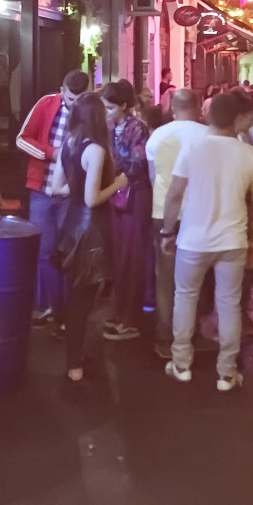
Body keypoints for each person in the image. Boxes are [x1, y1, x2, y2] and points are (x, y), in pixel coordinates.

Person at [161, 93, 253, 392]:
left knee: (185, 297)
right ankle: (226, 373)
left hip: (193, 240)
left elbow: (174, 194)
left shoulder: (192, 149)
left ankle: (181, 364)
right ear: (238, 119)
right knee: (229, 303)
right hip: (233, 240)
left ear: (208, 116)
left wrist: (167, 231)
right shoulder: (249, 154)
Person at [50, 95, 128, 382]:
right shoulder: (95, 149)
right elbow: (93, 199)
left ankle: (74, 359)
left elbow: (54, 187)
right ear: (97, 117)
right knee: (82, 301)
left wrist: (76, 189)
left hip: (70, 226)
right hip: (90, 231)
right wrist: (119, 184)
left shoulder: (68, 143)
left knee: (76, 297)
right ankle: (74, 364)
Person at [16, 69, 90, 325]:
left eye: (78, 101)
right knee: (44, 252)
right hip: (42, 191)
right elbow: (21, 139)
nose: (73, 106)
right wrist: (51, 152)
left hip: (72, 195)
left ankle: (65, 310)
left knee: (68, 253)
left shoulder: (90, 112)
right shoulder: (46, 104)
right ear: (62, 91)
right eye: (70, 100)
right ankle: (52, 307)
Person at [145, 89, 209, 359]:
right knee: (199, 276)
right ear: (197, 107)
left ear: (172, 107)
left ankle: (165, 336)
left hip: (163, 212)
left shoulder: (157, 136)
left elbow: (153, 177)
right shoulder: (208, 135)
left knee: (166, 278)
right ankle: (192, 332)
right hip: (200, 211)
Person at [101, 79, 152, 341]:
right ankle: (119, 312)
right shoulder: (113, 128)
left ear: (123, 106)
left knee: (132, 259)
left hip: (135, 197)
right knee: (119, 258)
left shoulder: (137, 128)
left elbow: (138, 165)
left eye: (110, 107)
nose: (106, 112)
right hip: (117, 195)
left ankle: (129, 319)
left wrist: (112, 164)